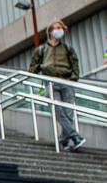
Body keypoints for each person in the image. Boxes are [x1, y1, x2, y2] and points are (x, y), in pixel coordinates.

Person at [29, 20, 85, 152]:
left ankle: (64, 140)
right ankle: (75, 137)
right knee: (59, 111)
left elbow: (75, 65)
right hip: (51, 83)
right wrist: (42, 67)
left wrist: (73, 79)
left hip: (66, 82)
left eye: (61, 28)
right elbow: (32, 69)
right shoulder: (41, 50)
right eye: (57, 28)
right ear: (50, 32)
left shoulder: (67, 48)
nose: (60, 30)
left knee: (69, 114)